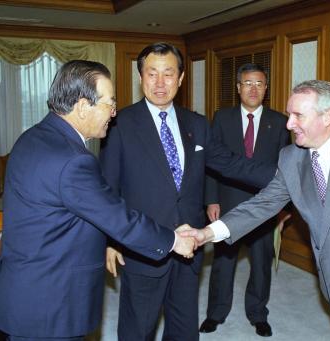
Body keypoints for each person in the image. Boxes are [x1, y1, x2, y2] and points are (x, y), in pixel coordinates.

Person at [184, 80, 330, 341]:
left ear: (328, 116)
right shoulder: (291, 158)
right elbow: (261, 205)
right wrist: (207, 234)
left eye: (298, 115)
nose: (289, 124)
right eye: (289, 114)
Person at [0, 60, 195, 341]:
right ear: (84, 106)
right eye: (109, 104)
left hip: (25, 292)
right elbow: (118, 217)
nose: (113, 113)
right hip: (51, 306)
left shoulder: (33, 137)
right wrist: (173, 240)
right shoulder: (73, 160)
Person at [99, 43, 275, 341]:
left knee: (183, 329)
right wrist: (109, 240)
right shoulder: (119, 124)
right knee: (137, 329)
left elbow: (232, 164)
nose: (159, 82)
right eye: (152, 73)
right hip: (143, 246)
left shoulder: (197, 124)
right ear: (140, 76)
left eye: (168, 74)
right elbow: (108, 188)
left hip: (189, 246)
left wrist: (289, 175)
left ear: (180, 79)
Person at [200, 63, 289, 337]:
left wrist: (283, 208)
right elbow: (211, 163)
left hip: (264, 206)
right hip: (228, 202)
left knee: (262, 264)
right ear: (238, 88)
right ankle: (216, 313)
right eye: (247, 83)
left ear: (266, 88)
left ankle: (258, 314)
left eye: (259, 84)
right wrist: (211, 199)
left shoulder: (280, 122)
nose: (253, 89)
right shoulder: (222, 118)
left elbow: (285, 168)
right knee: (223, 264)